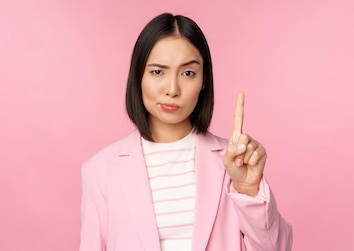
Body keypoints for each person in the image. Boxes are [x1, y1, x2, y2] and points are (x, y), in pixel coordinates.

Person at [79, 13, 293, 251]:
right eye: (158, 72)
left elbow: (277, 248)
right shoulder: (100, 170)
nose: (172, 89)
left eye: (188, 73)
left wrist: (249, 190)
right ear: (138, 76)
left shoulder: (233, 163)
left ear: (203, 80)